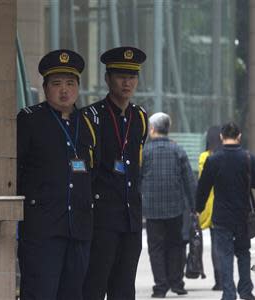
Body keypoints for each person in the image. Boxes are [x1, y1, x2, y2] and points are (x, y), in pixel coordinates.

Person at [17, 49, 97, 300]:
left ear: (78, 87)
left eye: (70, 83)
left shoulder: (88, 123)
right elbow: (17, 170)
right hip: (43, 230)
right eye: (57, 84)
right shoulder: (30, 120)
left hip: (79, 229)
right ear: (45, 87)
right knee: (40, 293)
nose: (64, 90)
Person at [83, 46, 148, 300]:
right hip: (102, 219)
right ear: (107, 79)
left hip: (131, 219)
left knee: (125, 288)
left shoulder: (140, 117)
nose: (127, 82)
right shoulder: (92, 117)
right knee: (95, 286)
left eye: (132, 76)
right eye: (120, 75)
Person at [196, 122, 255, 300]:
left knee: (224, 255)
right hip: (244, 215)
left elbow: (203, 188)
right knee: (243, 253)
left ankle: (229, 293)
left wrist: (198, 209)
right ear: (239, 136)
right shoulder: (250, 158)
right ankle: (246, 291)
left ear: (221, 137)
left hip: (221, 215)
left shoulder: (213, 159)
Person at [140, 112, 196, 298]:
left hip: (152, 209)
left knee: (156, 247)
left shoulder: (145, 152)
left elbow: (137, 179)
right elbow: (189, 180)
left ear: (152, 129)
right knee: (176, 245)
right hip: (175, 208)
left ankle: (160, 286)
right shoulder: (178, 150)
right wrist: (195, 206)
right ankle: (177, 283)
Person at [198, 125, 223, 291]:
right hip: (223, 205)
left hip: (209, 205)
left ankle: (218, 280)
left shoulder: (204, 158)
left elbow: (202, 182)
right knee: (221, 243)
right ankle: (223, 279)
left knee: (215, 243)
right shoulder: (224, 156)